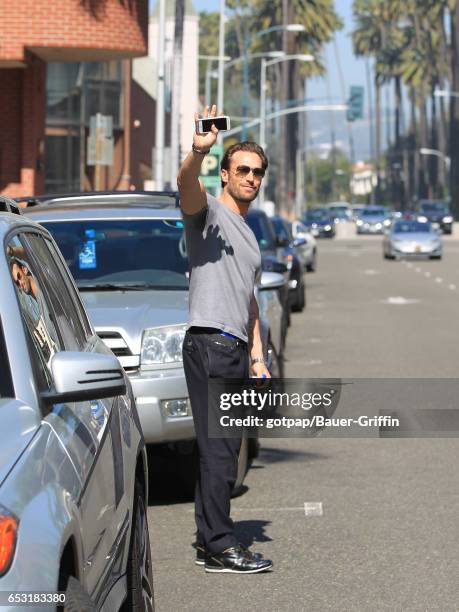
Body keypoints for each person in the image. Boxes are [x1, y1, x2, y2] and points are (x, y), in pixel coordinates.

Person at [177, 104, 273, 574]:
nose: (251, 178)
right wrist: (199, 152)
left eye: (257, 172)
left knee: (223, 447)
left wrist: (258, 361)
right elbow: (185, 189)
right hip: (209, 343)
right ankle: (220, 543)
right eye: (243, 170)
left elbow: (250, 302)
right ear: (227, 175)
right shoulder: (209, 213)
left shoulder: (251, 238)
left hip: (234, 348)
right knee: (219, 449)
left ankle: (207, 538)